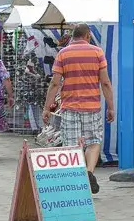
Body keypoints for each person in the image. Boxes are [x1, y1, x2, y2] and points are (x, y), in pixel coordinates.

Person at [44, 24, 114, 194]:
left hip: (70, 107)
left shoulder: (63, 53)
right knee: (93, 142)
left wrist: (47, 107)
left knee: (71, 145)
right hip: (92, 106)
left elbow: (55, 83)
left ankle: (76, 181)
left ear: (72, 36)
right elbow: (105, 82)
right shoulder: (97, 52)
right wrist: (111, 106)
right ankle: (89, 172)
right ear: (88, 36)